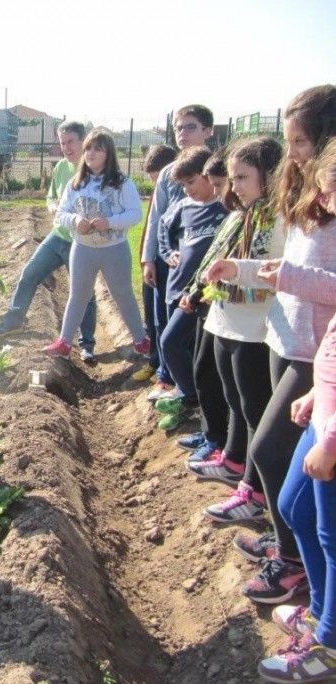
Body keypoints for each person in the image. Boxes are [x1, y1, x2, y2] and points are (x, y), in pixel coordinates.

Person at [205, 84, 336, 603]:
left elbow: (317, 279)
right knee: (273, 451)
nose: (294, 155)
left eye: (301, 142)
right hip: (285, 338)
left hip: (316, 355)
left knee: (268, 449)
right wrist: (240, 269)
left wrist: (287, 276)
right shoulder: (310, 194)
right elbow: (290, 272)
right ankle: (289, 543)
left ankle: (293, 562)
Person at [258, 140, 336, 683]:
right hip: (326, 404)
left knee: (333, 532)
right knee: (293, 506)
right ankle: (323, 612)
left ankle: (328, 648)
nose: (324, 191)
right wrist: (316, 390)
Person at [186, 137, 284, 525]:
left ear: (270, 175)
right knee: (236, 401)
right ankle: (234, 461)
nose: (235, 186)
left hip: (255, 328)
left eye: (243, 177)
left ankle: (253, 490)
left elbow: (277, 275)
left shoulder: (279, 220)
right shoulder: (243, 215)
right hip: (227, 320)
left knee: (256, 409)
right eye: (233, 177)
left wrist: (236, 278)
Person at [0, 122, 97, 362]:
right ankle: (14, 320)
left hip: (82, 243)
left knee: (85, 293)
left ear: (83, 140)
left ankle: (87, 343)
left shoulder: (93, 170)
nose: (66, 147)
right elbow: (52, 195)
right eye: (62, 143)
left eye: (70, 141)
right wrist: (51, 205)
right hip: (58, 236)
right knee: (30, 274)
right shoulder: (60, 167)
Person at [43, 128, 148, 359]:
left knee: (122, 294)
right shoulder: (76, 183)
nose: (90, 153)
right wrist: (75, 220)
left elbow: (135, 214)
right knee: (78, 295)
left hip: (114, 250)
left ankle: (141, 340)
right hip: (83, 249)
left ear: (108, 154)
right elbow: (61, 213)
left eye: (97, 149)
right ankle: (64, 342)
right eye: (88, 148)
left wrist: (109, 222)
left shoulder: (122, 183)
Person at [141, 105, 215, 403]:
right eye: (178, 128)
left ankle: (192, 390)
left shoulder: (217, 169)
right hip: (168, 257)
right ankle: (167, 378)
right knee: (162, 319)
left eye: (190, 127)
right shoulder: (169, 172)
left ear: (207, 131)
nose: (182, 134)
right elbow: (157, 217)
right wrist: (149, 257)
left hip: (201, 262)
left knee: (191, 328)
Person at [153, 146, 229, 431]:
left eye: (192, 182)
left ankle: (191, 397)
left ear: (209, 177)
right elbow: (163, 226)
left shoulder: (224, 210)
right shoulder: (184, 207)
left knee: (173, 342)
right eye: (183, 184)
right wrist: (167, 251)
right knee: (176, 344)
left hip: (204, 296)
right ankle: (191, 397)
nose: (187, 190)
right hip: (178, 289)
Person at [176, 148, 231, 454]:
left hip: (223, 309)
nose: (223, 191)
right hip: (206, 303)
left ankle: (220, 443)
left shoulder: (235, 217)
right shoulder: (233, 217)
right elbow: (209, 262)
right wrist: (194, 291)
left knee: (220, 380)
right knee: (203, 370)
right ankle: (210, 432)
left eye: (222, 184)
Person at [132, 144, 178, 384]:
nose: (156, 183)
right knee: (152, 316)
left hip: (170, 260)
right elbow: (151, 226)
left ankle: (166, 369)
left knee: (166, 319)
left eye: (158, 178)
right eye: (152, 179)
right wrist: (146, 258)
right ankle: (155, 361)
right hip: (153, 261)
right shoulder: (158, 193)